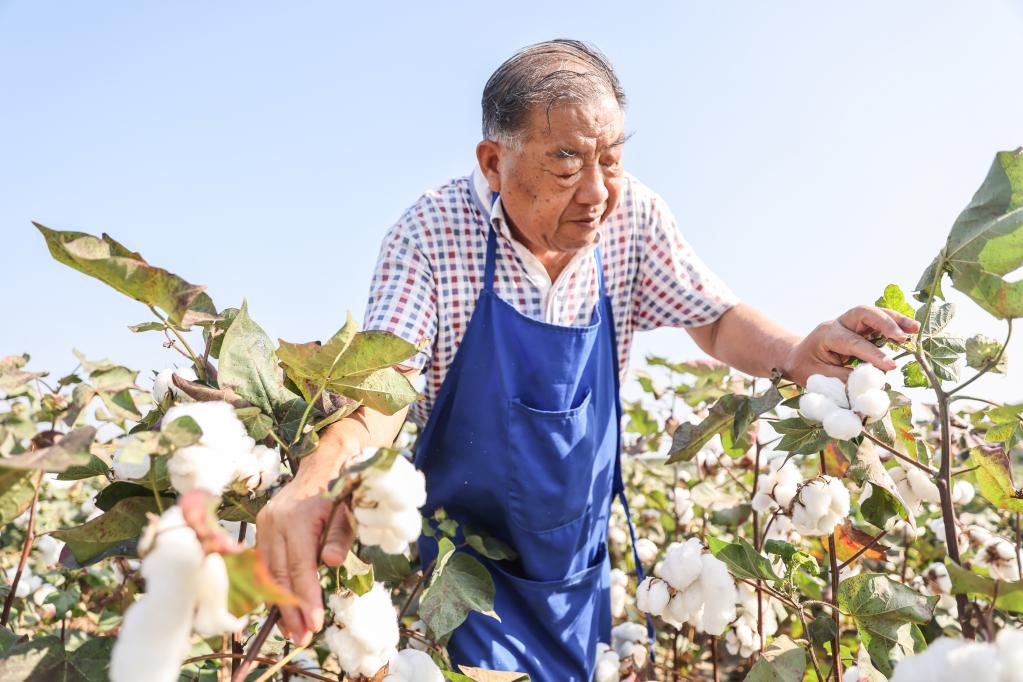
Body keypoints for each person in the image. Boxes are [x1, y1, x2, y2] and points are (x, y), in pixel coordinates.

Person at [256, 39, 919, 680]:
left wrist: (795, 355)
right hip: (457, 574)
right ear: (493, 163)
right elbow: (385, 386)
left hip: (576, 580)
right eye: (567, 163)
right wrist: (323, 468)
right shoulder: (430, 233)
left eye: (612, 158)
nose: (598, 191)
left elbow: (715, 319)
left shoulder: (633, 218)